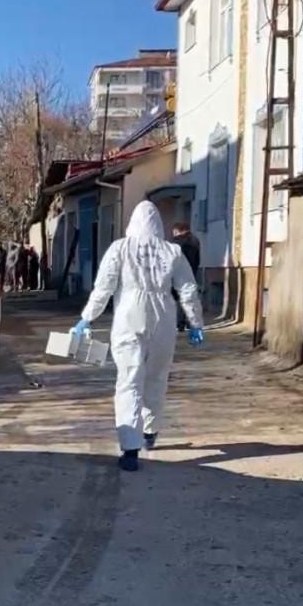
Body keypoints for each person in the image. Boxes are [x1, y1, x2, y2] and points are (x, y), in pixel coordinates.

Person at [71, 201, 204, 472]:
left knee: (129, 381)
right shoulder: (173, 251)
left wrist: (87, 318)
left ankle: (130, 449)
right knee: (157, 377)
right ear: (158, 225)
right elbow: (188, 289)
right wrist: (195, 323)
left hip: (129, 316)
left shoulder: (120, 248)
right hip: (163, 316)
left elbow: (104, 287)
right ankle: (150, 432)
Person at [169, 221, 203, 332]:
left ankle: (180, 323)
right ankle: (190, 322)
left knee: (177, 298)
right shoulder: (195, 240)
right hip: (192, 271)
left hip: (177, 272)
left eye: (174, 232)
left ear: (177, 231)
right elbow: (197, 259)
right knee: (190, 297)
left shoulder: (176, 243)